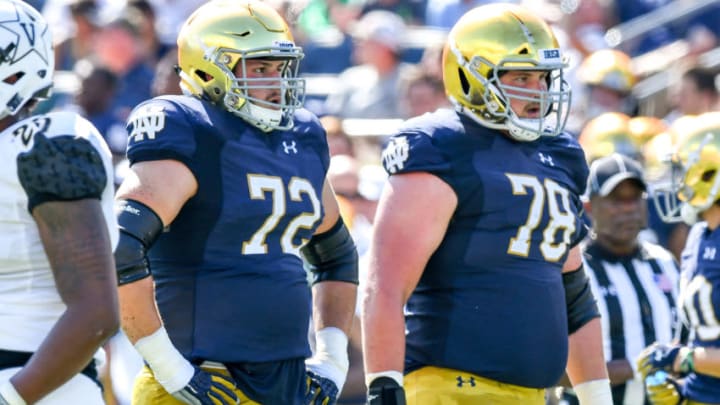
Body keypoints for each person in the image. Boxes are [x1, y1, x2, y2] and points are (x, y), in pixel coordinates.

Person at [361, 4, 612, 405]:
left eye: (544, 77)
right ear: (469, 76)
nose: (539, 90)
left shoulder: (560, 153)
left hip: (533, 394)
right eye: (522, 77)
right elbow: (385, 285)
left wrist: (597, 396)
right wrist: (384, 385)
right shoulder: (443, 146)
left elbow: (572, 290)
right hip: (450, 389)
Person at [113, 1, 358, 404]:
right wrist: (169, 367)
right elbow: (121, 247)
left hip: (288, 378)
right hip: (206, 377)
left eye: (279, 68)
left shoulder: (302, 135)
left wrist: (333, 359)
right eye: (259, 68)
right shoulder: (190, 127)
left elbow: (336, 255)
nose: (275, 82)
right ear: (208, 69)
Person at [0, 0, 120, 403]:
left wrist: (12, 396)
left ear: (16, 70)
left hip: (41, 384)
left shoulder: (47, 146)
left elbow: (96, 313)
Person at [557, 154, 680, 405]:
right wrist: (640, 366)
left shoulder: (664, 262)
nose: (628, 208)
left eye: (635, 198)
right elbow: (552, 367)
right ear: (589, 207)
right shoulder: (572, 267)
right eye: (616, 199)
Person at [638, 112, 720, 405]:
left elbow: (691, 355)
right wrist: (682, 388)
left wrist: (684, 359)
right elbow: (699, 337)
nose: (680, 180)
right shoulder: (698, 235)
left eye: (686, 167)